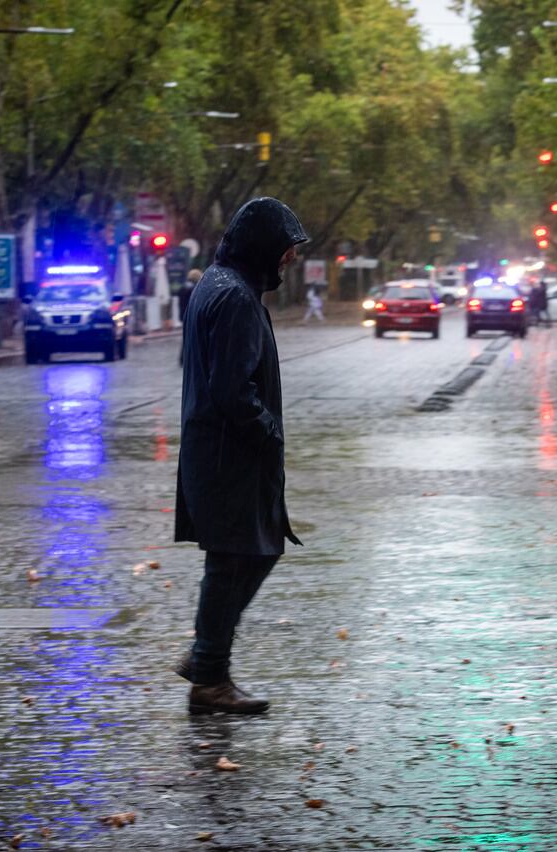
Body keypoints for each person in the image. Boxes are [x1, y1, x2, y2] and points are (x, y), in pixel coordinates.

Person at [174, 197, 308, 715]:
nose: (289, 259)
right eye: (286, 249)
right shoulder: (233, 298)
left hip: (221, 451)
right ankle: (208, 671)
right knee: (241, 557)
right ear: (262, 247)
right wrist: (267, 431)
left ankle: (208, 667)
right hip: (231, 455)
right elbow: (232, 388)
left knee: (236, 558)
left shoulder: (222, 284)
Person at [178, 268, 202, 367]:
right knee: (193, 337)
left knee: (186, 337)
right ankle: (186, 359)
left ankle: (183, 358)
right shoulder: (195, 288)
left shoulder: (183, 287)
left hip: (183, 315)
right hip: (192, 315)